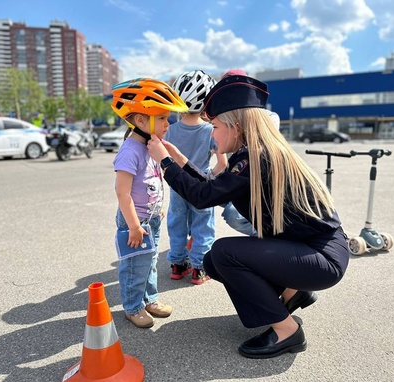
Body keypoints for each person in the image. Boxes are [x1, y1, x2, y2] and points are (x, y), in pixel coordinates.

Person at [147, 74, 350, 358]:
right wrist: (179, 159)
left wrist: (165, 163)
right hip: (312, 250)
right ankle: (293, 292)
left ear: (236, 127)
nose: (213, 134)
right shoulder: (254, 153)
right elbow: (212, 187)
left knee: (224, 253)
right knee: (212, 261)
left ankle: (287, 332)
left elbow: (203, 197)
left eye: (215, 126)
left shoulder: (253, 158)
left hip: (320, 258)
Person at [111, 78, 189, 328]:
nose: (168, 124)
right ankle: (133, 307)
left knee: (151, 260)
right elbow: (123, 193)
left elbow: (154, 179)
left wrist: (159, 207)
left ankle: (150, 299)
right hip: (136, 222)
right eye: (163, 118)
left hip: (151, 218)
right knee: (135, 264)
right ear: (141, 120)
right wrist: (134, 226)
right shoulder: (130, 150)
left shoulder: (151, 146)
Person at [165, 70, 228, 285]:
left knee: (177, 224)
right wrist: (208, 176)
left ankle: (177, 264)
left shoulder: (169, 131)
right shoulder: (211, 130)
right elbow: (222, 164)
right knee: (203, 226)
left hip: (177, 187)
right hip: (201, 186)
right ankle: (199, 269)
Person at [219, 68, 280, 237]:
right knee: (208, 191)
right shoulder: (224, 119)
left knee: (233, 213)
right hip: (240, 179)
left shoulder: (269, 117)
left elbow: (260, 147)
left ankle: (268, 236)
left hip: (262, 183)